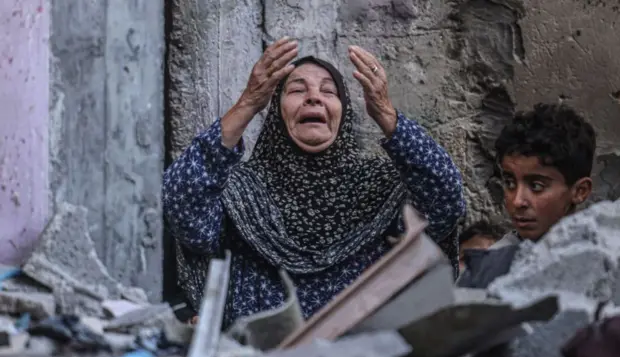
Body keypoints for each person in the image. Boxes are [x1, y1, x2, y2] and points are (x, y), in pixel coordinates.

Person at [163, 37, 466, 328]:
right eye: (297, 90)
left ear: (344, 112)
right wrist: (248, 103)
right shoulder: (240, 190)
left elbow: (446, 202)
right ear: (275, 113)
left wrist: (386, 114)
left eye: (328, 91)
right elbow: (183, 207)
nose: (314, 97)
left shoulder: (379, 187)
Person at [457, 103, 596, 288]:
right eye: (510, 183)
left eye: (537, 186)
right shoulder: (487, 275)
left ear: (580, 191)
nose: (517, 201)